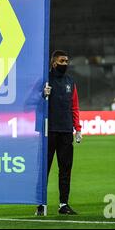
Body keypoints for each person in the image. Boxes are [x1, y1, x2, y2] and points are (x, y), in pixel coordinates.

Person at [36, 50, 82, 216]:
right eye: (62, 61)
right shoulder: (44, 79)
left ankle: (63, 204)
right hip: (48, 131)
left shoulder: (71, 81)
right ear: (54, 63)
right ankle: (40, 205)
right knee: (44, 170)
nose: (66, 64)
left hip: (65, 131)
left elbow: (74, 106)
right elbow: (34, 102)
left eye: (67, 61)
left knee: (65, 170)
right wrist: (42, 94)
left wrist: (78, 128)